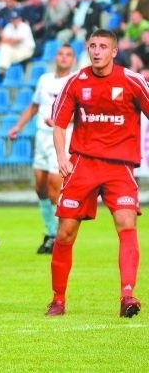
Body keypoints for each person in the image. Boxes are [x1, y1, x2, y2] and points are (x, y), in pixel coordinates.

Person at [46, 28, 149, 318]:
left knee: (126, 224)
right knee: (65, 234)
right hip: (83, 164)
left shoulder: (132, 81)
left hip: (119, 167)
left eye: (103, 46)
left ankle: (127, 296)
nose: (97, 51)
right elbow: (59, 123)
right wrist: (61, 156)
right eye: (92, 45)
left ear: (114, 51)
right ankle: (58, 299)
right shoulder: (76, 82)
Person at [7, 45, 76, 254]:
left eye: (68, 55)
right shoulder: (45, 79)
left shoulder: (74, 82)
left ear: (73, 60)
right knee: (40, 187)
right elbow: (34, 106)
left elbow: (82, 113)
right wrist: (18, 126)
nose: (64, 58)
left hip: (62, 137)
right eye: (61, 53)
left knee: (56, 186)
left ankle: (59, 235)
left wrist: (60, 121)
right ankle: (49, 232)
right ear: (55, 57)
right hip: (42, 136)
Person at [0, 10, 35, 83]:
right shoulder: (9, 26)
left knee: (4, 47)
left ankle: (4, 73)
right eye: (13, 18)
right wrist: (7, 41)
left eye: (16, 18)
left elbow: (17, 40)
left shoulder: (25, 27)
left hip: (26, 50)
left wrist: (6, 41)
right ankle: (2, 73)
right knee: (4, 48)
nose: (15, 20)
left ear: (20, 19)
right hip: (14, 50)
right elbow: (3, 39)